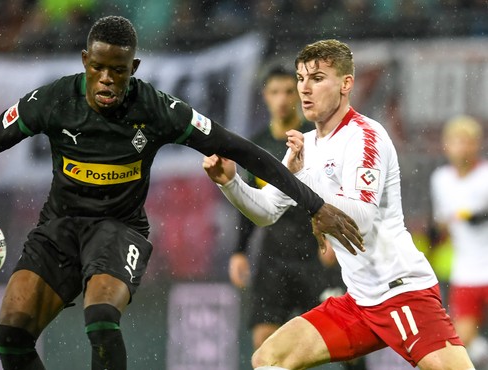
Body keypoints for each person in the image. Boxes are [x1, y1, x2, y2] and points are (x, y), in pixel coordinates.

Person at [0, 17, 363, 370]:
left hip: (119, 229)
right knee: (12, 334)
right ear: (85, 61)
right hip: (59, 227)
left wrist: (315, 204)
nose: (105, 80)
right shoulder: (53, 100)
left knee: (100, 321)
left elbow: (241, 150)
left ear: (132, 69)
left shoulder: (156, 109)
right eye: (97, 67)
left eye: (117, 70)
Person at [202, 39, 475, 369]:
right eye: (301, 78)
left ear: (346, 84)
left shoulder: (365, 136)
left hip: (401, 291)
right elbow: (266, 211)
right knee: (269, 357)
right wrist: (230, 182)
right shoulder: (305, 148)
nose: (305, 88)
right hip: (359, 300)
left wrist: (304, 179)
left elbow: (358, 219)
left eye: (317, 79)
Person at [229, 64, 345, 351]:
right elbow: (251, 200)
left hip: (316, 253)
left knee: (345, 342)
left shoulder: (319, 139)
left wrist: (336, 238)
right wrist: (240, 251)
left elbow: (338, 192)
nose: (282, 99)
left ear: (299, 94)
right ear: (265, 96)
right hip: (274, 258)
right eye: (274, 92)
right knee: (264, 345)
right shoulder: (256, 146)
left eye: (288, 91)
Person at [430, 115, 488, 369]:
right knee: (458, 348)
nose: (462, 147)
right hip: (465, 275)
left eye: (468, 142)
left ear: (477, 145)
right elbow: (444, 225)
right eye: (456, 141)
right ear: (446, 145)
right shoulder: (440, 179)